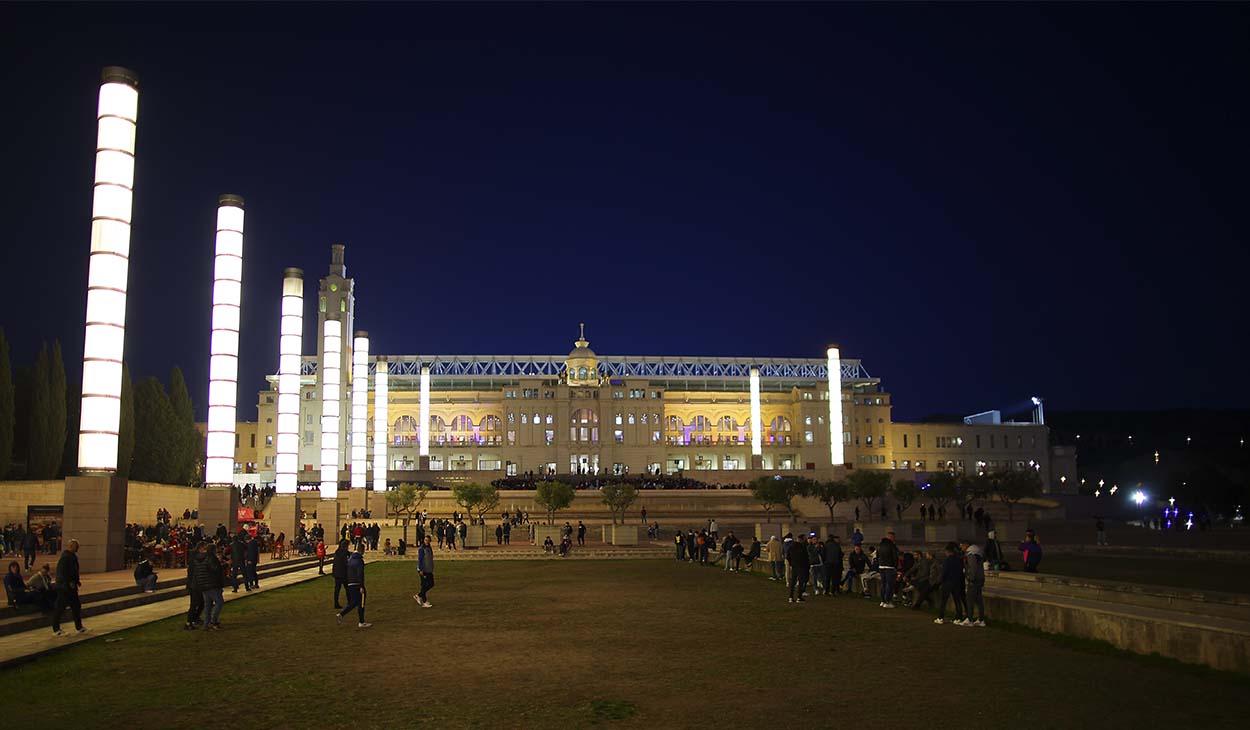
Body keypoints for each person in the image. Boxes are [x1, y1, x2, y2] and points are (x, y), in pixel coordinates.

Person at [51, 539, 86, 636]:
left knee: (76, 606)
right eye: (76, 546)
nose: (77, 548)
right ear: (71, 546)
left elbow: (74, 571)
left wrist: (76, 581)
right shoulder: (66, 558)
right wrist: (69, 582)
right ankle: (56, 629)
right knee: (60, 607)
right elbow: (63, 572)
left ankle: (79, 627)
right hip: (64, 587)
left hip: (71, 587)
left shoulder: (72, 557)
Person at [337, 543, 371, 628]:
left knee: (354, 602)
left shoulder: (351, 559)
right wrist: (361, 586)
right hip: (357, 583)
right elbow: (360, 574)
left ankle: (342, 614)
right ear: (362, 550)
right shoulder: (359, 561)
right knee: (361, 602)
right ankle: (361, 621)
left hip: (350, 583)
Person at [195, 542, 225, 630]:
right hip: (212, 584)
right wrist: (221, 564)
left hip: (202, 584)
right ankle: (213, 620)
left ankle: (206, 623)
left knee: (208, 604)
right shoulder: (211, 558)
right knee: (219, 602)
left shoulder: (199, 559)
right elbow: (215, 570)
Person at [934, 541, 966, 625]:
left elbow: (944, 573)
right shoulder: (959, 560)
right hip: (956, 582)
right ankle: (958, 617)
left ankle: (940, 617)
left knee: (943, 601)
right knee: (957, 600)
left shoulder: (947, 561)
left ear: (948, 551)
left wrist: (939, 582)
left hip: (947, 582)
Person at [961, 539, 986, 627]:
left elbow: (973, 567)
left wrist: (970, 579)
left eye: (962, 545)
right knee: (978, 599)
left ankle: (970, 619)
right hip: (980, 578)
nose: (961, 548)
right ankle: (981, 619)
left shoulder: (971, 554)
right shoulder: (977, 552)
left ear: (966, 545)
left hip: (975, 580)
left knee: (969, 599)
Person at [785, 532, 810, 603]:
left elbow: (788, 556)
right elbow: (806, 557)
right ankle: (799, 597)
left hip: (794, 566)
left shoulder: (792, 547)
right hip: (801, 566)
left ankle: (791, 596)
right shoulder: (802, 547)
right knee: (801, 581)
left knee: (793, 581)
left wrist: (791, 563)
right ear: (802, 539)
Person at [877, 530, 899, 608]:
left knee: (883, 584)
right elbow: (895, 556)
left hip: (881, 566)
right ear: (891, 537)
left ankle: (882, 601)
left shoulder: (880, 545)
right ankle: (888, 601)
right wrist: (896, 567)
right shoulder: (891, 545)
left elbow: (877, 555)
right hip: (890, 566)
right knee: (889, 584)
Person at [184, 544, 203, 630]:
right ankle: (189, 622)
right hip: (194, 584)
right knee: (194, 604)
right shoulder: (195, 560)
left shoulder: (196, 559)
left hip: (197, 583)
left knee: (201, 602)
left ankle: (195, 618)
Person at [413, 535, 434, 608]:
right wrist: (420, 569)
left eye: (428, 540)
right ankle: (424, 601)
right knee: (424, 585)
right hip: (423, 570)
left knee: (431, 584)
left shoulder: (429, 548)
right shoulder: (422, 549)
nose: (427, 541)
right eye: (425, 540)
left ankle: (419, 595)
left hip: (429, 569)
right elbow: (420, 559)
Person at [331, 539, 350, 609]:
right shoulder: (345, 553)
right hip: (343, 573)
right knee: (347, 588)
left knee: (337, 589)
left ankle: (336, 603)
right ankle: (349, 601)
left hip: (337, 573)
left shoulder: (337, 552)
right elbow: (346, 563)